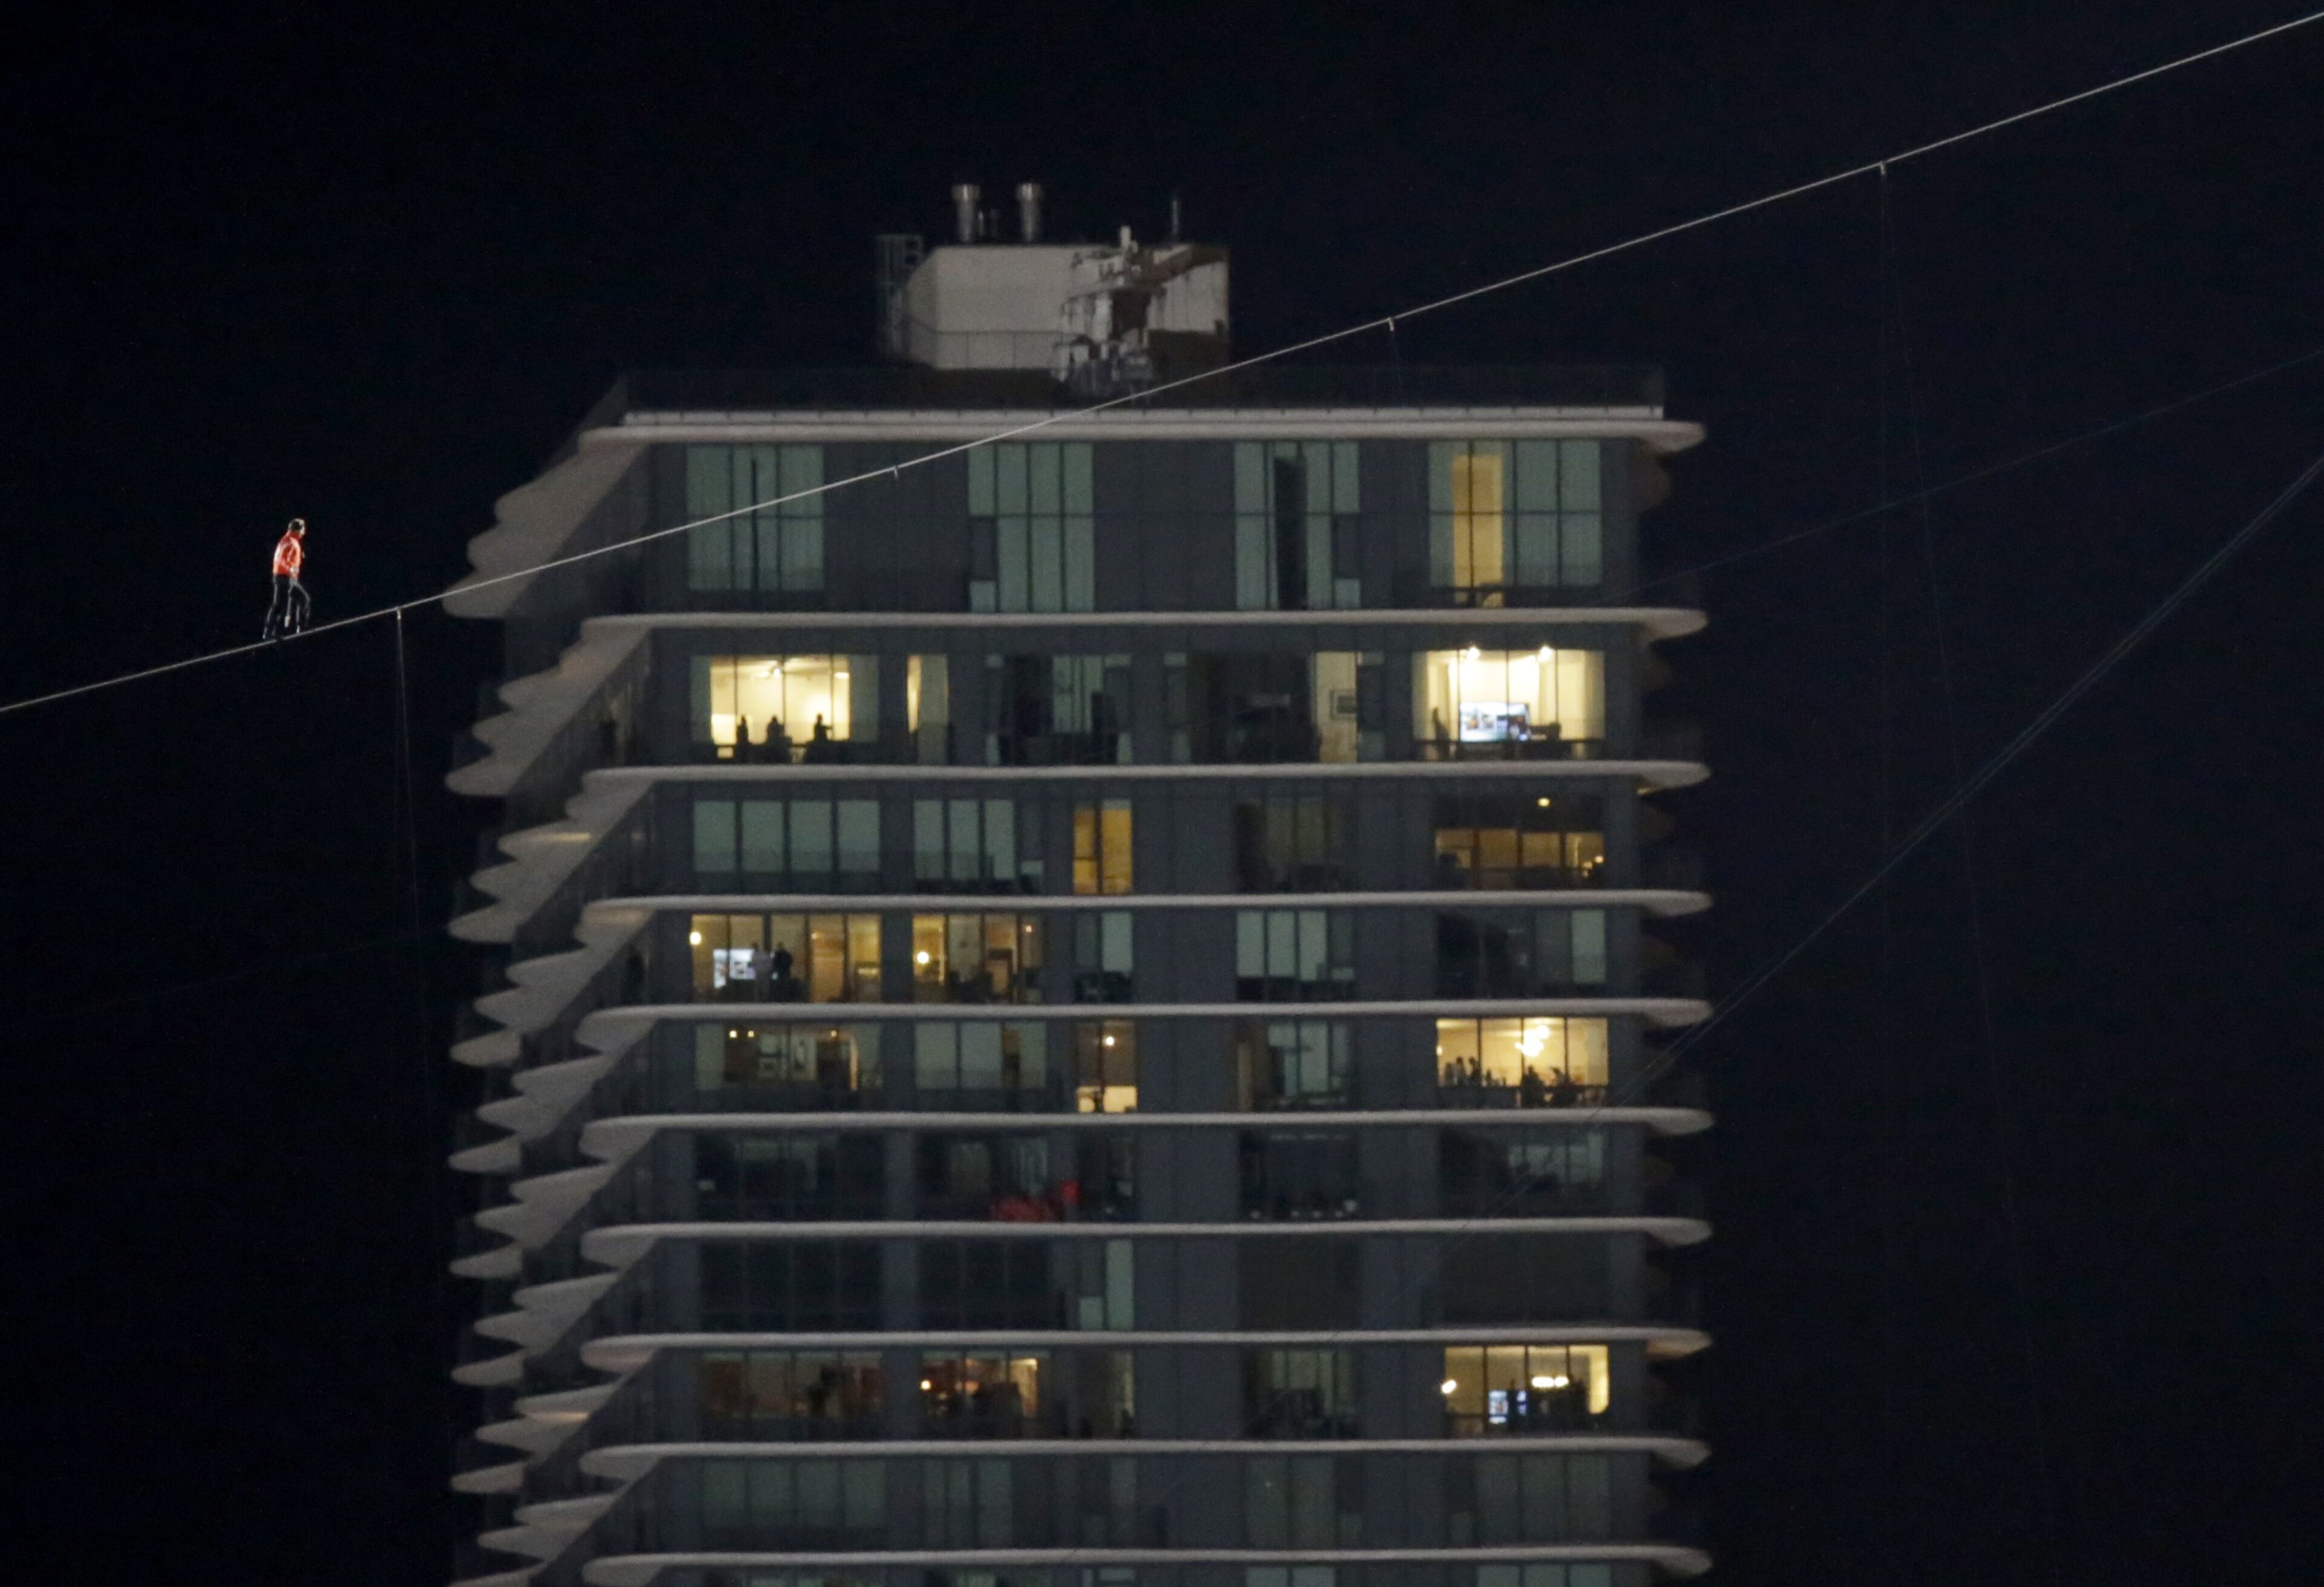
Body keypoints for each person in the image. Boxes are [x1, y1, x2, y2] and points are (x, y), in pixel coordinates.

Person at [263, 518, 310, 639]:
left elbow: (283, 556)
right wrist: (289, 569)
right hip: (286, 577)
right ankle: (301, 628)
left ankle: (269, 631)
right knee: (303, 600)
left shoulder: (287, 540)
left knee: (280, 604)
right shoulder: (291, 542)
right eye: (303, 529)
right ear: (298, 530)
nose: (304, 532)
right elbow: (282, 559)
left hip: (282, 576)